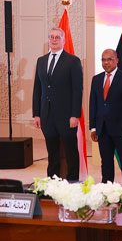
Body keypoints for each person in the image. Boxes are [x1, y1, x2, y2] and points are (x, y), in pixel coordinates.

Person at [32, 27, 83, 181]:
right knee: (52, 152)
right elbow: (37, 89)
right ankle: (52, 182)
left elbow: (77, 90)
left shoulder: (73, 61)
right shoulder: (41, 61)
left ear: (63, 40)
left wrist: (75, 115)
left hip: (67, 116)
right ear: (48, 40)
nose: (54, 40)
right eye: (51, 37)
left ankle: (73, 182)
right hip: (46, 116)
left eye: (57, 37)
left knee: (70, 151)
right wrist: (36, 114)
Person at [88, 49, 122, 187]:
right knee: (106, 163)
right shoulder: (96, 79)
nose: (106, 62)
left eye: (109, 59)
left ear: (116, 60)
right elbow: (93, 104)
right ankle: (107, 190)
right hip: (102, 129)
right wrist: (93, 127)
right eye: (103, 60)